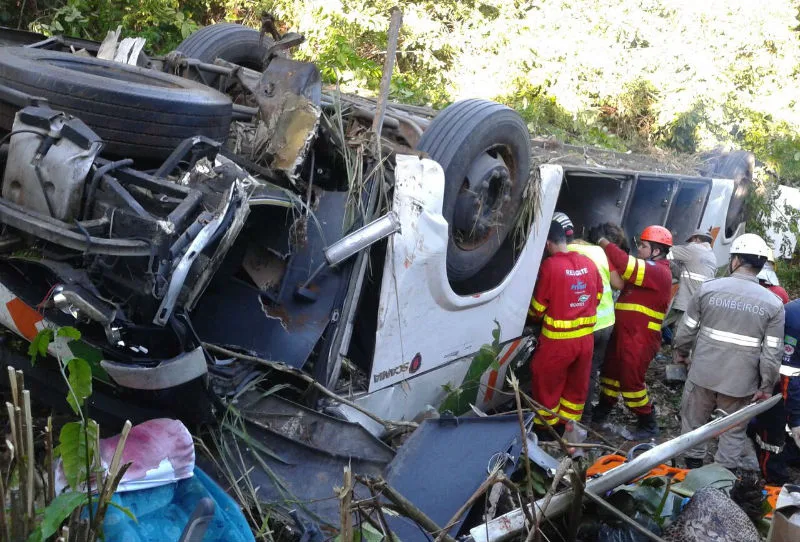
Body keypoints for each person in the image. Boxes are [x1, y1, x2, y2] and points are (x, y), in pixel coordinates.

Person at [672, 233, 784, 471]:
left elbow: (686, 329)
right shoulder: (774, 303)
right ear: (761, 264)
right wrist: (766, 386)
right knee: (733, 431)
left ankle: (692, 471)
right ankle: (721, 481)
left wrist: (681, 353)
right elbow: (772, 353)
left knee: (694, 423)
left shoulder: (708, 289)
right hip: (741, 382)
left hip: (702, 372)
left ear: (735, 260)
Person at [589, 225, 674, 439]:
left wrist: (603, 242)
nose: (640, 250)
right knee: (610, 374)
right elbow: (618, 278)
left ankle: (647, 421)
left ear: (656, 250)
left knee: (630, 382)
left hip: (641, 338)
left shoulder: (658, 271)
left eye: (644, 246)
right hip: (625, 334)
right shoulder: (647, 271)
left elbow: (625, 265)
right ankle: (603, 410)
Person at [528, 220, 602, 436]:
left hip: (557, 342)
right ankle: (567, 429)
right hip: (586, 340)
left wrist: (533, 318)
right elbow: (597, 296)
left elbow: (538, 307)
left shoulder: (550, 266)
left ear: (548, 243)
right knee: (575, 387)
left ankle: (546, 431)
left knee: (546, 385)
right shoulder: (588, 263)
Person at [552, 212, 617, 421]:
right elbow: (616, 283)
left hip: (586, 324)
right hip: (608, 322)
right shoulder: (597, 250)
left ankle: (578, 420)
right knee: (590, 372)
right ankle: (585, 418)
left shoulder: (560, 254)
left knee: (575, 374)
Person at [663, 229, 717, 335]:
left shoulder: (694, 248)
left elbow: (664, 252)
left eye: (691, 240)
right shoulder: (712, 258)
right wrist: (671, 266)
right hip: (702, 307)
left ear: (697, 239)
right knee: (689, 336)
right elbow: (687, 274)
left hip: (686, 305)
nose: (689, 244)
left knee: (679, 336)